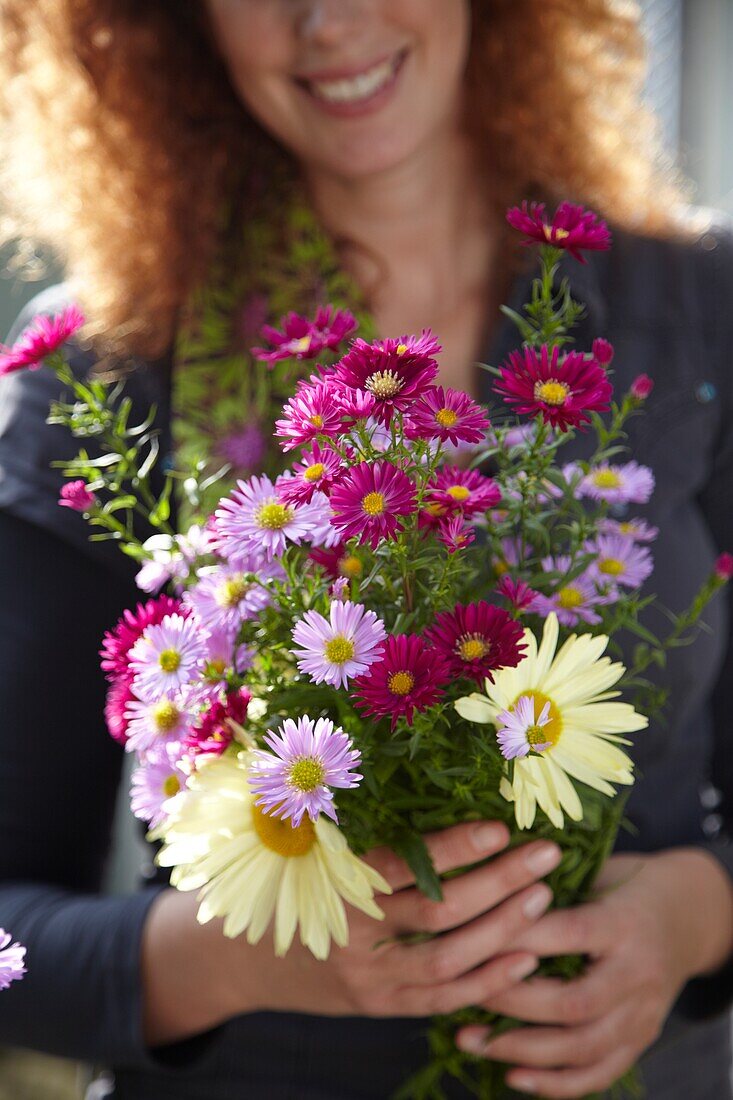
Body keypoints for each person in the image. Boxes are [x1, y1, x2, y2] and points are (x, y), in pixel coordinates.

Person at [0, 2, 732, 1098]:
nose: (324, 20)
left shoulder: (696, 304)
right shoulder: (108, 367)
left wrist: (690, 916)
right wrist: (226, 955)